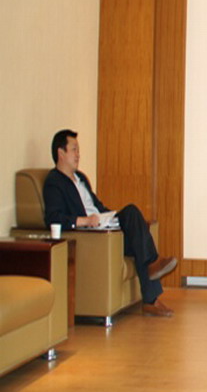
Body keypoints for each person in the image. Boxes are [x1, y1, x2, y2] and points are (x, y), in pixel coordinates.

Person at [43, 129, 177, 317]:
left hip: (104, 225)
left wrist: (110, 216)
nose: (78, 154)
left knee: (133, 219)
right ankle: (151, 293)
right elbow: (53, 218)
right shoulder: (54, 182)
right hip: (92, 236)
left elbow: (98, 206)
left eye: (78, 150)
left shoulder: (81, 178)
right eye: (74, 150)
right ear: (61, 153)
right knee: (132, 216)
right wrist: (85, 221)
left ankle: (151, 284)